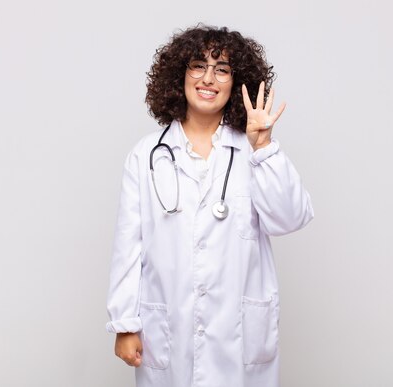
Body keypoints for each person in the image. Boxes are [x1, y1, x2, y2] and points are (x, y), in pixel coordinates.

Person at [106, 24, 314, 387]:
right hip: (169, 329)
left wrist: (264, 147)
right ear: (179, 76)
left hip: (238, 336)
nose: (209, 78)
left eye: (222, 69)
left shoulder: (253, 150)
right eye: (198, 65)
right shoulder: (145, 156)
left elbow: (290, 218)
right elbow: (129, 245)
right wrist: (125, 323)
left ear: (237, 83)